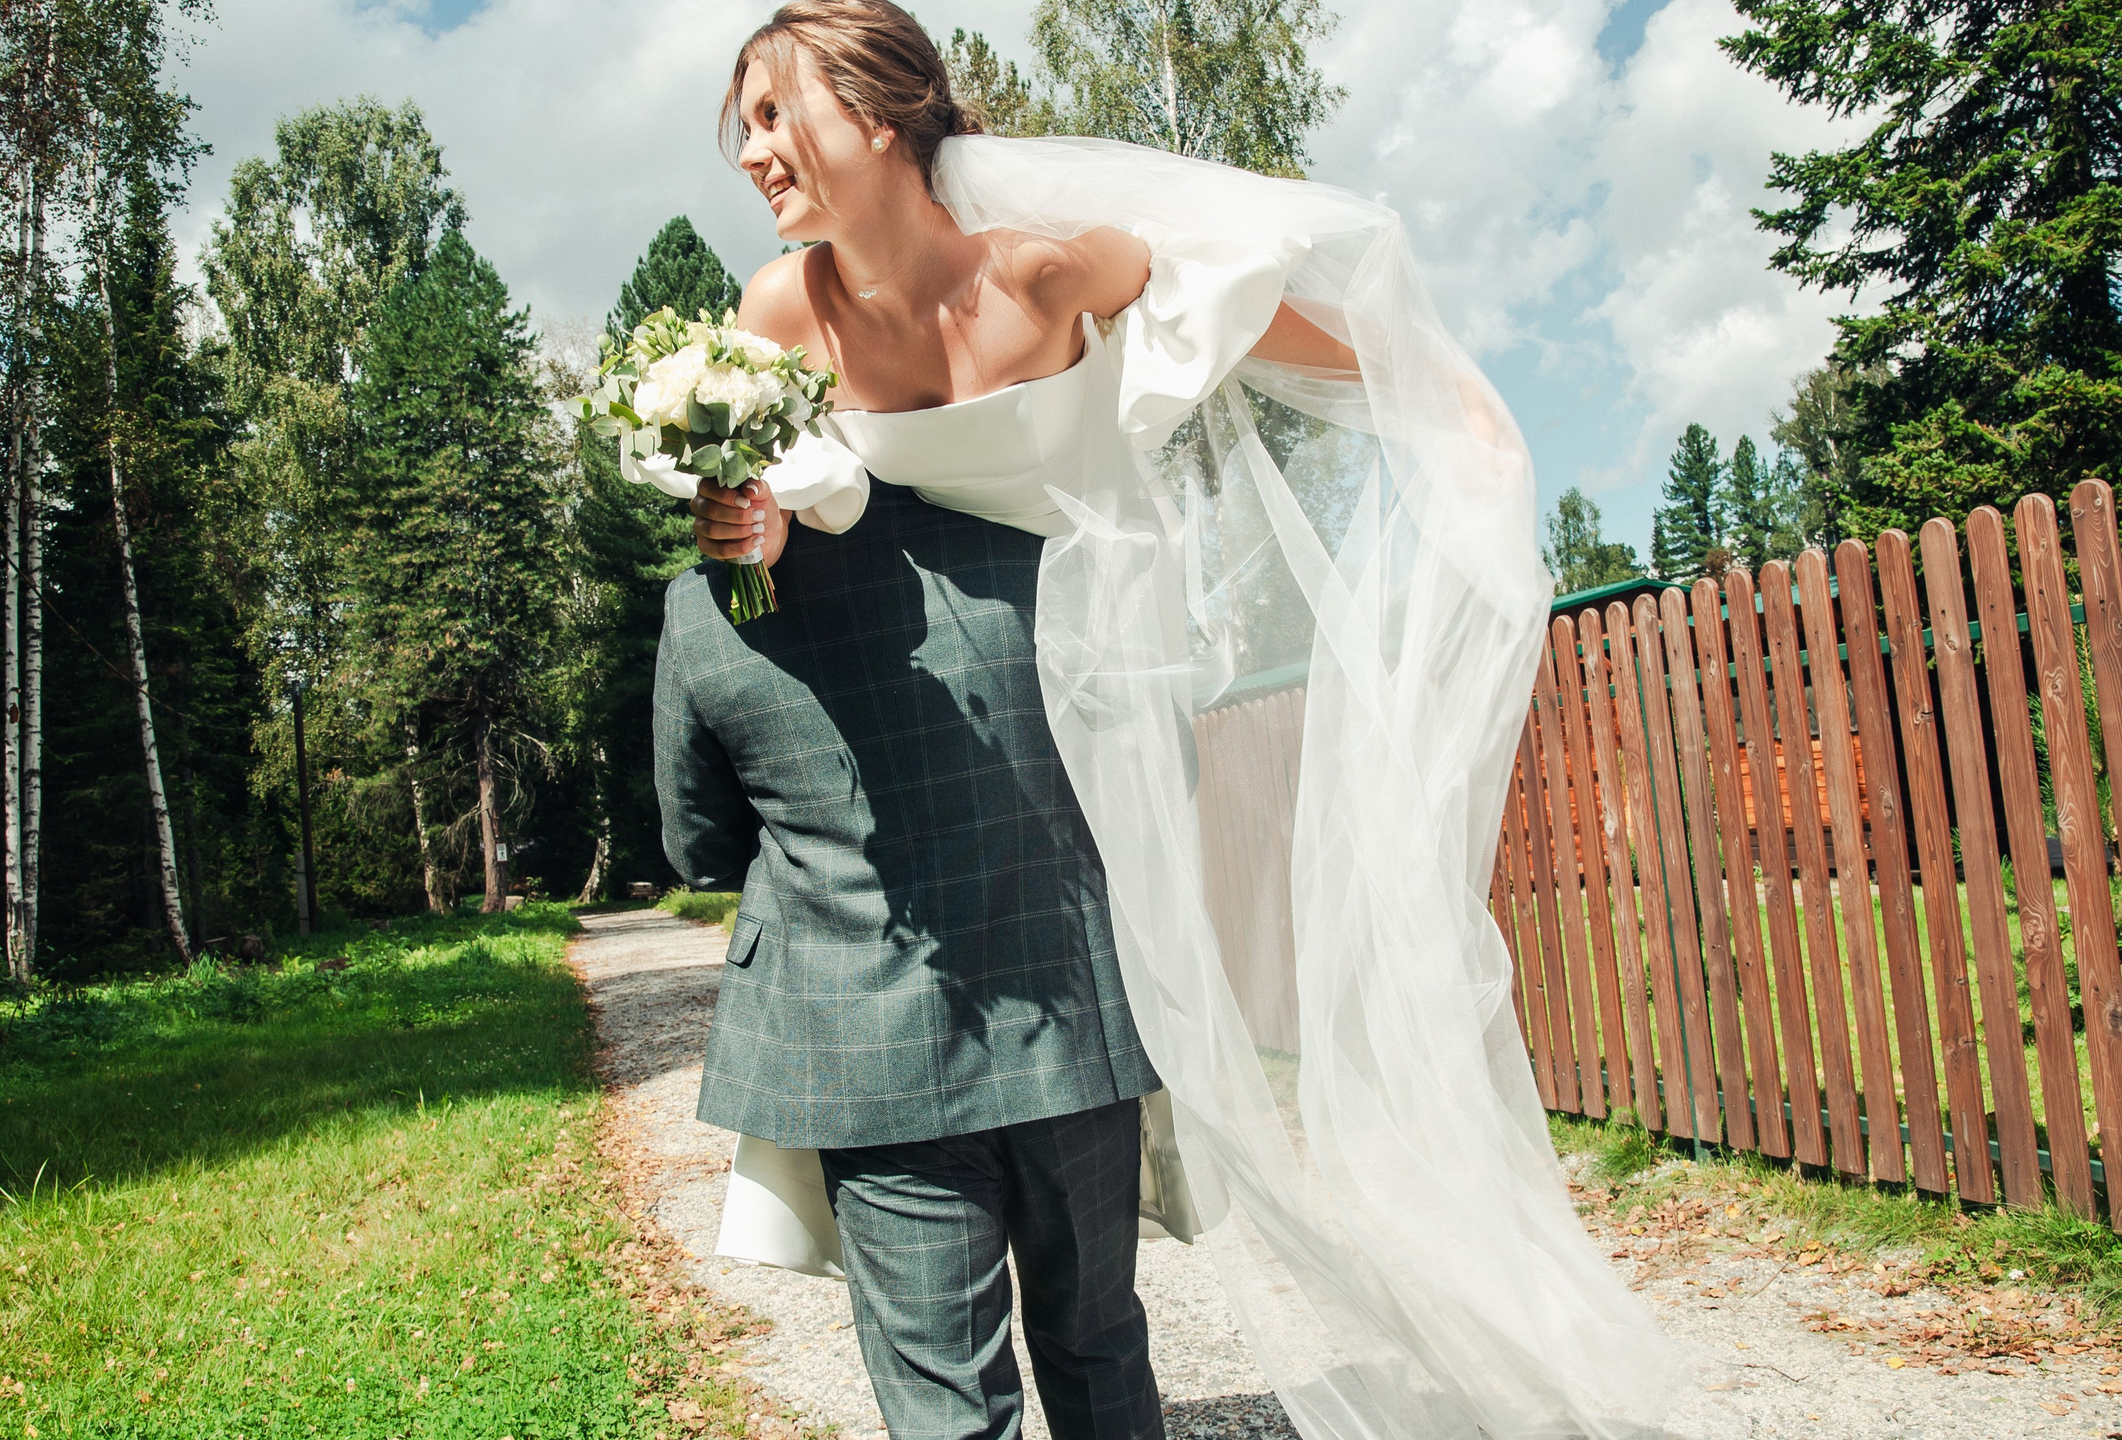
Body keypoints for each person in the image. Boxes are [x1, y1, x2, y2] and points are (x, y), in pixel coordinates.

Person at [648, 3, 1691, 1438]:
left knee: (1095, 1320)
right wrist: (753, 534)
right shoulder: (780, 316)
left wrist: (1435, 401)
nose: (754, 153)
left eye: (777, 114)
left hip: (1095, 660)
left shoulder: (1042, 268)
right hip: (961, 697)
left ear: (880, 117)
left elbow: (1240, 301)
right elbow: (759, 500)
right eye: (746, 126)